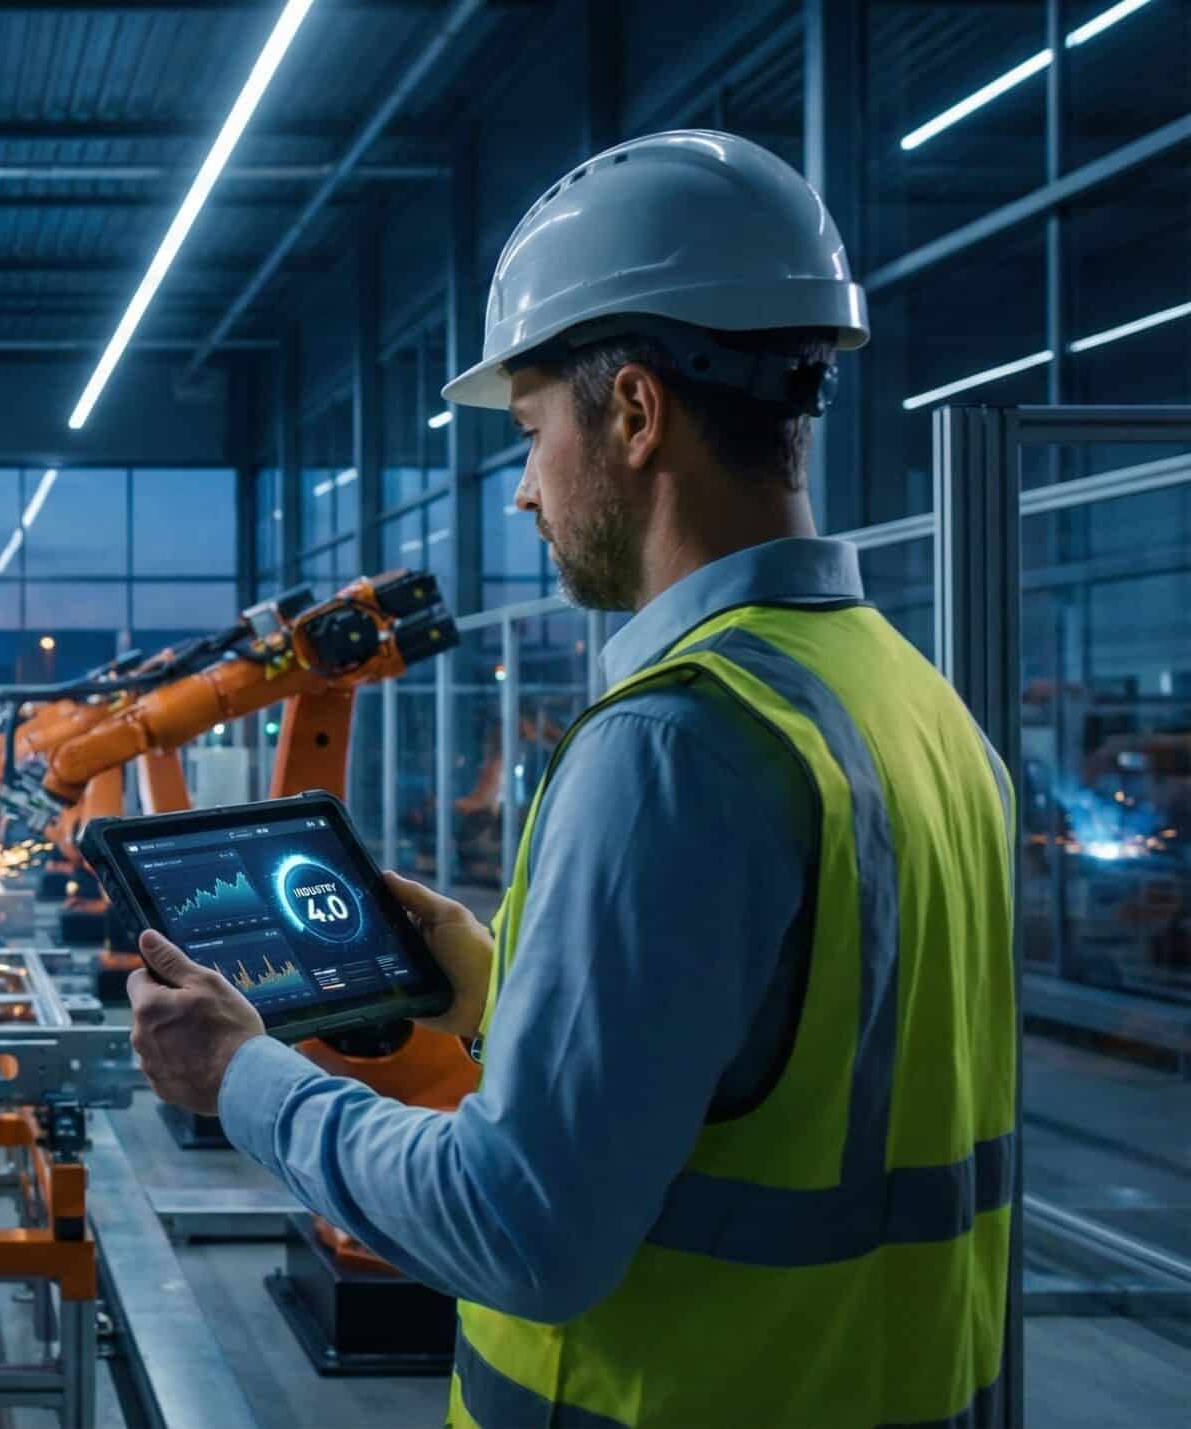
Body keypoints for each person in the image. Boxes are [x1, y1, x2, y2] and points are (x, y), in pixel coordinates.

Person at [127, 130, 1017, 1428]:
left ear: (637, 412)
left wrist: (243, 1074)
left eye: (535, 432)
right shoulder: (922, 714)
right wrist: (497, 982)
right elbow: (804, 1079)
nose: (527, 493)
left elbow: (520, 1227)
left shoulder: (677, 747)